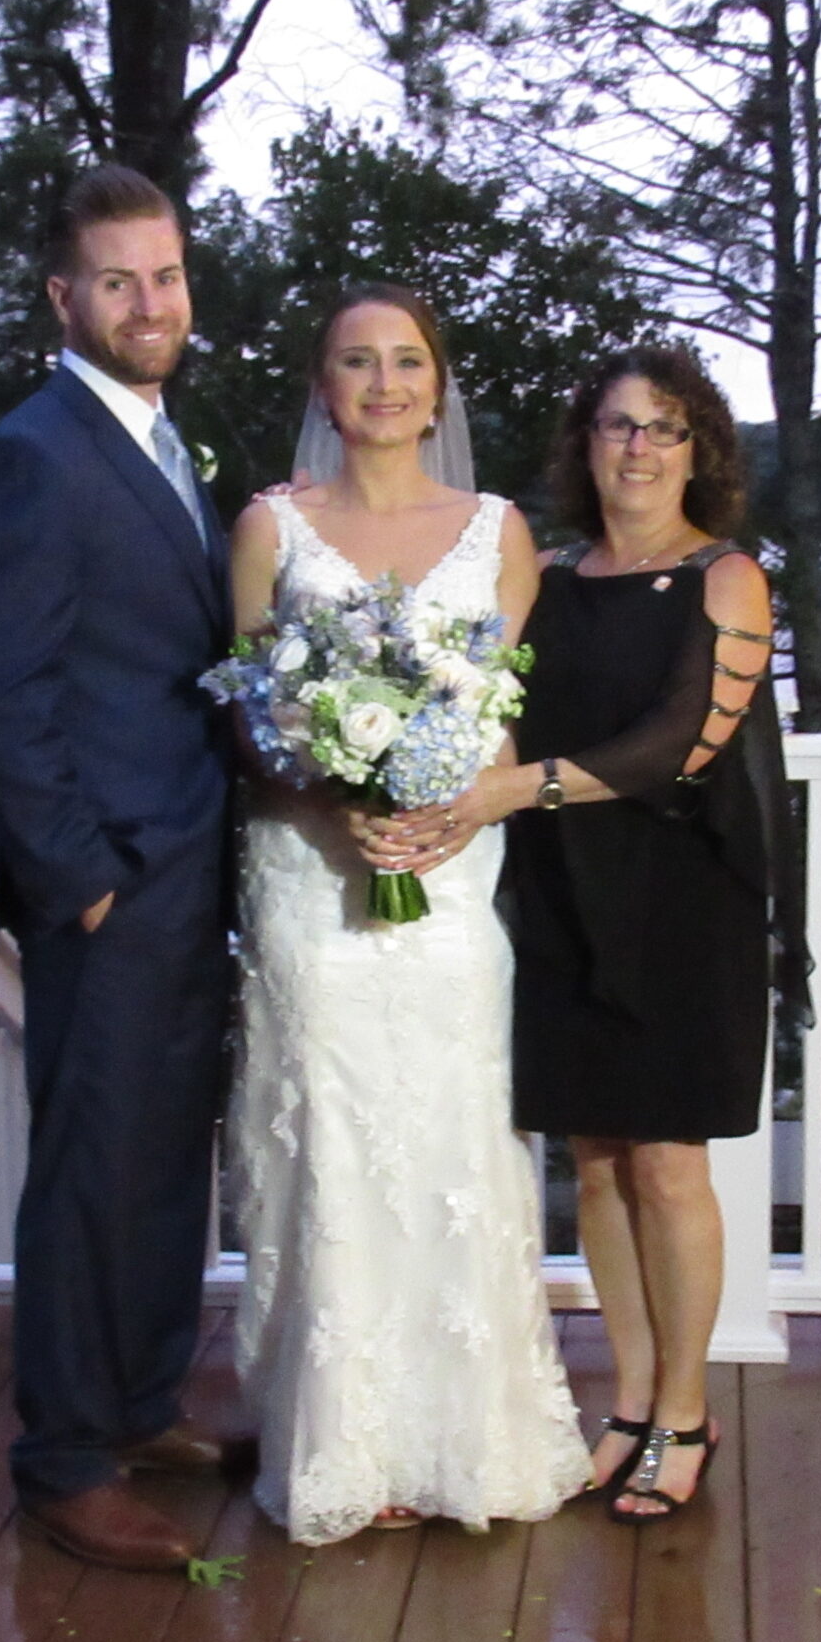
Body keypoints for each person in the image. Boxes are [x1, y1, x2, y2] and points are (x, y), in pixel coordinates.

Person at [371, 344, 803, 1523]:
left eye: (664, 429)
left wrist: (517, 793)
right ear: (586, 447)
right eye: (617, 427)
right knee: (598, 1164)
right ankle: (626, 1404)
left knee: (667, 1163)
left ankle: (684, 1408)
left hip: (682, 899)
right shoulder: (551, 577)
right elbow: (485, 711)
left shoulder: (727, 579)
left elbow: (681, 745)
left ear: (701, 450)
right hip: (563, 895)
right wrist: (409, 786)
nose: (639, 450)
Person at [225, 283, 593, 1545]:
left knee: (452, 1133)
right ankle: (341, 1438)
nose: (383, 385)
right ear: (323, 389)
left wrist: (448, 812)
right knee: (326, 1136)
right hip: (308, 881)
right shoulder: (271, 525)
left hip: (448, 880)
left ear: (439, 389)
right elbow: (254, 712)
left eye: (406, 363)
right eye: (355, 362)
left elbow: (502, 713)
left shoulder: (499, 533)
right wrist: (334, 806)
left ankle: (468, 1438)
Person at [0, 164, 244, 1572]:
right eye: (117, 281)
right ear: (65, 298)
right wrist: (84, 878)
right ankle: (63, 1458)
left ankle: (139, 1403)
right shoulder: (38, 451)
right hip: (115, 883)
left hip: (194, 869)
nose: (148, 303)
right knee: (87, 1171)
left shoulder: (162, 441)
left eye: (165, 275)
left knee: (164, 1157)